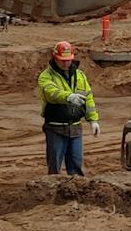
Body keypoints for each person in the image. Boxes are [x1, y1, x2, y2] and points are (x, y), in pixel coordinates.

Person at [37, 40, 99, 175]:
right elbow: (50, 93)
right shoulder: (46, 77)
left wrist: (93, 120)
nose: (66, 63)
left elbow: (88, 98)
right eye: (62, 60)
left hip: (75, 128)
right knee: (55, 167)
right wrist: (68, 97)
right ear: (55, 58)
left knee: (76, 166)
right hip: (55, 128)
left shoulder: (80, 76)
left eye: (68, 60)